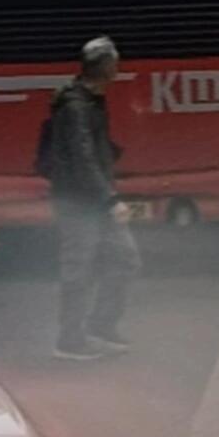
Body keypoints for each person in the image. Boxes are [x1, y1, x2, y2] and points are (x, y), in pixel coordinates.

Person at [45, 35, 140, 361]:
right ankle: (69, 340)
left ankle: (101, 326)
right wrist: (111, 199)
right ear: (105, 67)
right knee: (78, 270)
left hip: (95, 199)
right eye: (115, 63)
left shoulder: (90, 100)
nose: (119, 68)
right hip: (77, 201)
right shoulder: (76, 106)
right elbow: (83, 157)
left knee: (125, 259)